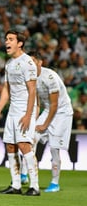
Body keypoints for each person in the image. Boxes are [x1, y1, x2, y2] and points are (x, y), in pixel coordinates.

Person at [0, 30, 40, 196]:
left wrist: (28, 114)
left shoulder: (27, 63)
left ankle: (35, 186)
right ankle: (16, 185)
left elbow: (32, 91)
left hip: (24, 109)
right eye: (6, 39)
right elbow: (7, 89)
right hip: (12, 110)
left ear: (20, 43)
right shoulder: (9, 64)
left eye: (11, 39)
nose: (6, 42)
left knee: (24, 145)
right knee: (10, 145)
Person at [27, 50, 73, 192]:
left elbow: (55, 105)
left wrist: (44, 125)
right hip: (48, 110)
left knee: (54, 148)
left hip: (62, 112)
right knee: (31, 138)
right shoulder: (30, 78)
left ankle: (55, 183)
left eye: (33, 61)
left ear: (40, 62)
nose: (30, 65)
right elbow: (37, 102)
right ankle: (25, 174)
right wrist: (33, 120)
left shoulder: (50, 77)